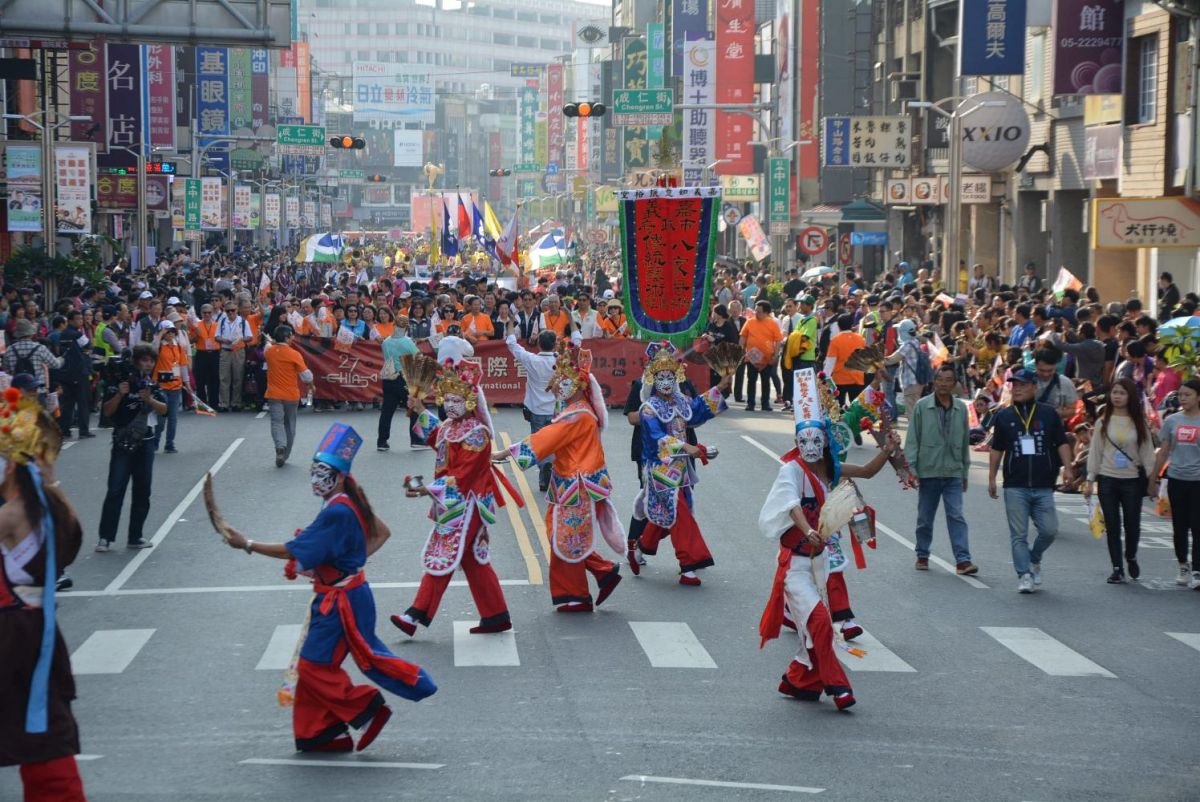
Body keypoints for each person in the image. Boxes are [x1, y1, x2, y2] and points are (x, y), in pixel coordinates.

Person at [216, 423, 437, 751]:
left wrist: (246, 544)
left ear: (339, 476)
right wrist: (346, 564)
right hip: (348, 592)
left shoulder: (337, 510)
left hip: (340, 602)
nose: (315, 478)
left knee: (312, 665)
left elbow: (292, 550)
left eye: (323, 473)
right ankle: (321, 732)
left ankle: (365, 708)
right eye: (314, 471)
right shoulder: (347, 497)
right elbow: (381, 533)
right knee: (318, 663)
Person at [758, 367, 898, 710]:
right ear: (796, 443)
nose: (809, 446)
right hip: (795, 565)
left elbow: (865, 472)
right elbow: (790, 503)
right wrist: (807, 530)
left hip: (819, 561)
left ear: (825, 442)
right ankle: (838, 687)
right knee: (820, 622)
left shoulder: (830, 469)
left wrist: (888, 450)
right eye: (803, 441)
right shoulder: (790, 470)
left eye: (815, 441)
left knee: (815, 628)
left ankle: (799, 680)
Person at [0, 392, 87, 800]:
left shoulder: (11, 516)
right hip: (39, 636)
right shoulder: (54, 508)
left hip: (13, 638)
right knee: (46, 738)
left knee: (43, 739)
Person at [495, 343, 625, 612]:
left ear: (580, 385)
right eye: (559, 382)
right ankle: (602, 571)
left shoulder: (577, 415)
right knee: (563, 535)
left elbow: (546, 438)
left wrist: (505, 452)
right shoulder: (576, 411)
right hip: (568, 484)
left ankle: (576, 594)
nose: (559, 387)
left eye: (566, 382)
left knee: (565, 537)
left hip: (577, 486)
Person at [390, 359, 514, 637]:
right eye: (447, 399)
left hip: (467, 503)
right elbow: (437, 437)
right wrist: (419, 409)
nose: (450, 405)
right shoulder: (450, 426)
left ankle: (415, 615)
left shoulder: (478, 434)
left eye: (456, 400)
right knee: (472, 559)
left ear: (470, 401)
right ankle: (496, 615)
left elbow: (462, 476)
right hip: (455, 502)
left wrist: (427, 489)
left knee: (443, 554)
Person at [629, 341, 729, 586]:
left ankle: (641, 546)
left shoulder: (680, 401)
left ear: (676, 378)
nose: (666, 381)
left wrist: (719, 388)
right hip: (660, 469)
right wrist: (686, 447)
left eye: (670, 377)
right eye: (661, 377)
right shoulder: (649, 408)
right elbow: (656, 437)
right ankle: (689, 565)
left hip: (681, 468)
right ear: (653, 379)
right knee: (681, 515)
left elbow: (698, 409)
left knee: (668, 514)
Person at [988, 369, 1075, 593]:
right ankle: (1024, 574)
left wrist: (1068, 468)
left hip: (1043, 484)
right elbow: (997, 449)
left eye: (1023, 385)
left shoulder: (1048, 414)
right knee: (1019, 535)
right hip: (1015, 485)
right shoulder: (1004, 416)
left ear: (1034, 387)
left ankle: (1034, 559)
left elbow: (1062, 442)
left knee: (1049, 530)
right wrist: (992, 477)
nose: (1017, 389)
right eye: (1014, 385)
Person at [905, 365, 976, 574]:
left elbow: (964, 441)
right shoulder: (922, 406)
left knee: (956, 515)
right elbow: (912, 440)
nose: (943, 383)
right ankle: (922, 554)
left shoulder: (961, 408)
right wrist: (911, 470)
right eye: (940, 379)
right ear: (934, 381)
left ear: (954, 384)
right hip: (929, 471)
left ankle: (963, 560)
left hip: (953, 471)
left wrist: (964, 472)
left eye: (948, 380)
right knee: (925, 518)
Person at [96, 344, 168, 551]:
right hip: (123, 442)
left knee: (143, 491)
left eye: (151, 361)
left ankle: (135, 536)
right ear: (136, 361)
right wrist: (120, 395)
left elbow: (165, 410)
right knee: (115, 490)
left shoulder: (151, 385)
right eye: (144, 360)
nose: (148, 364)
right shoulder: (120, 383)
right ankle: (105, 538)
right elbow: (107, 412)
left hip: (146, 443)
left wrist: (149, 399)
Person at [1084, 378, 1156, 584]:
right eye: (1114, 392)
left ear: (1130, 396)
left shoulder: (1139, 423)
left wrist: (1153, 481)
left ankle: (1130, 556)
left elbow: (1147, 453)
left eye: (1122, 393)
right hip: (1107, 480)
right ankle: (1117, 568)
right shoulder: (1103, 422)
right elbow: (1095, 452)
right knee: (1112, 525)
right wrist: (1090, 480)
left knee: (1132, 525)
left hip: (1132, 481)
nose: (1117, 396)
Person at [1152, 378, 1200, 588]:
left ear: (1198, 397)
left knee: (1198, 526)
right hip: (1176, 479)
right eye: (1181, 394)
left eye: (1188, 395)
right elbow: (1163, 451)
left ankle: (1197, 570)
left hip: (1198, 481)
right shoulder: (1172, 420)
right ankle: (1183, 565)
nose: (1183, 398)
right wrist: (1153, 478)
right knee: (1179, 526)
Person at [506, 328, 559, 493]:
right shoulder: (561, 361)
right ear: (555, 344)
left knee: (539, 443)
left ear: (539, 344)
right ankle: (551, 469)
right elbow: (577, 342)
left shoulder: (532, 360)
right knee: (554, 442)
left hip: (536, 410)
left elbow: (512, 344)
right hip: (555, 410)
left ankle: (545, 469)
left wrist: (510, 324)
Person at [265, 325, 313, 467]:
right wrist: (311, 384)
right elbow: (307, 376)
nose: (293, 338)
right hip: (291, 396)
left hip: (274, 394)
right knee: (290, 425)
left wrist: (270, 342)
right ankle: (285, 454)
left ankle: (280, 446)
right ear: (286, 338)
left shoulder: (269, 352)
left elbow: (268, 346)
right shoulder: (294, 354)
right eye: (291, 335)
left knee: (276, 422)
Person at [376, 316, 421, 452]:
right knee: (414, 408)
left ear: (394, 325)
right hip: (404, 377)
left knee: (387, 410)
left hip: (389, 376)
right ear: (406, 327)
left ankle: (382, 441)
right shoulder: (407, 341)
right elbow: (418, 357)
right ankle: (416, 440)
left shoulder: (386, 342)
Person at [152, 321, 189, 454]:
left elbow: (183, 366)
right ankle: (155, 442)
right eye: (168, 332)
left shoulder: (178, 346)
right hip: (161, 386)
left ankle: (169, 444)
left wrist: (187, 383)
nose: (170, 334)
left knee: (173, 418)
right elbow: (153, 349)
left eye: (172, 331)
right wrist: (160, 333)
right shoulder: (159, 346)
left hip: (176, 386)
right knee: (161, 418)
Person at [740, 300, 783, 412]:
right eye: (756, 311)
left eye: (759, 311)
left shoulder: (772, 324)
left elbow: (778, 340)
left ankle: (765, 404)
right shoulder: (750, 322)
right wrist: (741, 349)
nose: (756, 313)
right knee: (751, 380)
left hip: (767, 358)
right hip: (751, 358)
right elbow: (743, 336)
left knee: (765, 381)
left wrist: (776, 355)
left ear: (766, 313)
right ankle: (750, 404)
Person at [217, 301, 251, 412]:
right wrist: (224, 340)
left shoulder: (243, 322)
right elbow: (217, 336)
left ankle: (236, 402)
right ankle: (224, 403)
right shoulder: (222, 321)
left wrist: (240, 339)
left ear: (237, 310)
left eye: (233, 310)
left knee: (238, 377)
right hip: (225, 351)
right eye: (228, 311)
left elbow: (249, 337)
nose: (231, 313)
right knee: (224, 378)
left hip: (238, 351)